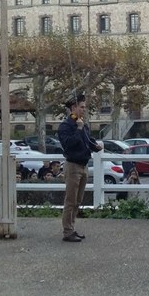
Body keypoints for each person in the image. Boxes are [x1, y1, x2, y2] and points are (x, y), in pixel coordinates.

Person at [58, 93, 103, 243]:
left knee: (78, 200)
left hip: (83, 166)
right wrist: (78, 129)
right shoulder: (66, 126)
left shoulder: (81, 123)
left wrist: (95, 147)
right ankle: (67, 231)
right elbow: (68, 144)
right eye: (82, 107)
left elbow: (87, 141)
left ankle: (72, 227)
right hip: (73, 166)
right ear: (73, 108)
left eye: (85, 107)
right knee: (70, 200)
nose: (84, 110)